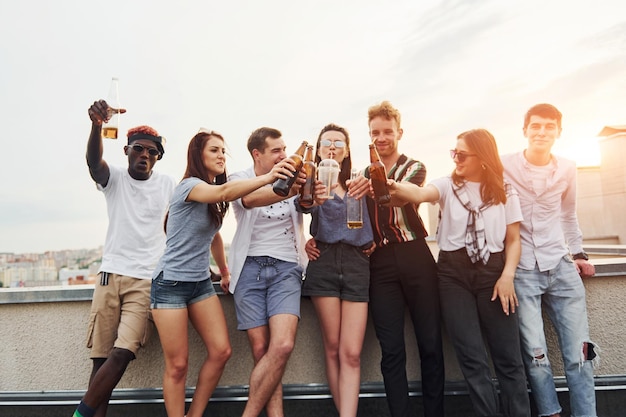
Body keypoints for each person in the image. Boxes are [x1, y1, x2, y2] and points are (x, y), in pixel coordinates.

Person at [150, 129, 293, 417]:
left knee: (221, 351)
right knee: (177, 365)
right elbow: (226, 191)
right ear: (197, 155)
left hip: (200, 283)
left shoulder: (213, 197)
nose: (221, 155)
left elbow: (214, 235)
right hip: (171, 284)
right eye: (214, 150)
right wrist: (271, 177)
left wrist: (225, 271)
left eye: (222, 151)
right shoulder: (190, 186)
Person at [388, 128, 531, 417]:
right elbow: (420, 192)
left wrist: (507, 277)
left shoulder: (504, 190)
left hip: (494, 273)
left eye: (462, 154)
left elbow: (513, 240)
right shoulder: (447, 185)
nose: (456, 158)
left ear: (483, 157)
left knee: (509, 360)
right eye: (454, 153)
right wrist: (394, 186)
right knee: (472, 359)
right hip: (453, 276)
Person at [74, 100, 176, 417]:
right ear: (127, 151)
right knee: (101, 360)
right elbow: (94, 163)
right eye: (138, 149)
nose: (144, 155)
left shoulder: (167, 184)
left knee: (122, 353)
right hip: (109, 277)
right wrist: (96, 126)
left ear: (158, 157)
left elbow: (182, 229)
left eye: (151, 152)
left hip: (145, 281)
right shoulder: (115, 178)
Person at [347, 101, 445, 417]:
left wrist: (378, 185)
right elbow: (348, 216)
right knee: (391, 350)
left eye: (387, 131)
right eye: (375, 132)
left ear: (399, 132)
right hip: (380, 263)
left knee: (430, 343)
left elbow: (402, 194)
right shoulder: (358, 174)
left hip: (415, 254)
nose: (381, 137)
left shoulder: (414, 167)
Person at [502, 103, 598, 417]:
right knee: (536, 355)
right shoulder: (505, 165)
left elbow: (568, 215)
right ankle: (550, 412)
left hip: (560, 266)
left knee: (580, 353)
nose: (542, 132)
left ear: (558, 131)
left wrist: (579, 253)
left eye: (549, 127)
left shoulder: (568, 167)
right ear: (525, 130)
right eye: (536, 126)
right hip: (523, 271)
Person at [228, 127, 308, 417]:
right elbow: (249, 201)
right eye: (276, 151)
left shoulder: (297, 177)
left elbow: (311, 206)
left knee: (283, 346)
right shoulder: (239, 179)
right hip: (249, 268)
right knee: (261, 350)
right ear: (257, 154)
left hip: (286, 267)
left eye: (285, 150)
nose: (284, 155)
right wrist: (280, 180)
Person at [298, 123, 375, 417]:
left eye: (338, 143)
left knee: (351, 353)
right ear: (318, 150)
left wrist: (375, 242)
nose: (332, 146)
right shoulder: (312, 184)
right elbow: (293, 214)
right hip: (324, 263)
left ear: (346, 151)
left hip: (358, 265)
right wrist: (304, 241)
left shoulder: (361, 182)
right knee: (332, 348)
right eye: (326, 142)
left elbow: (383, 211)